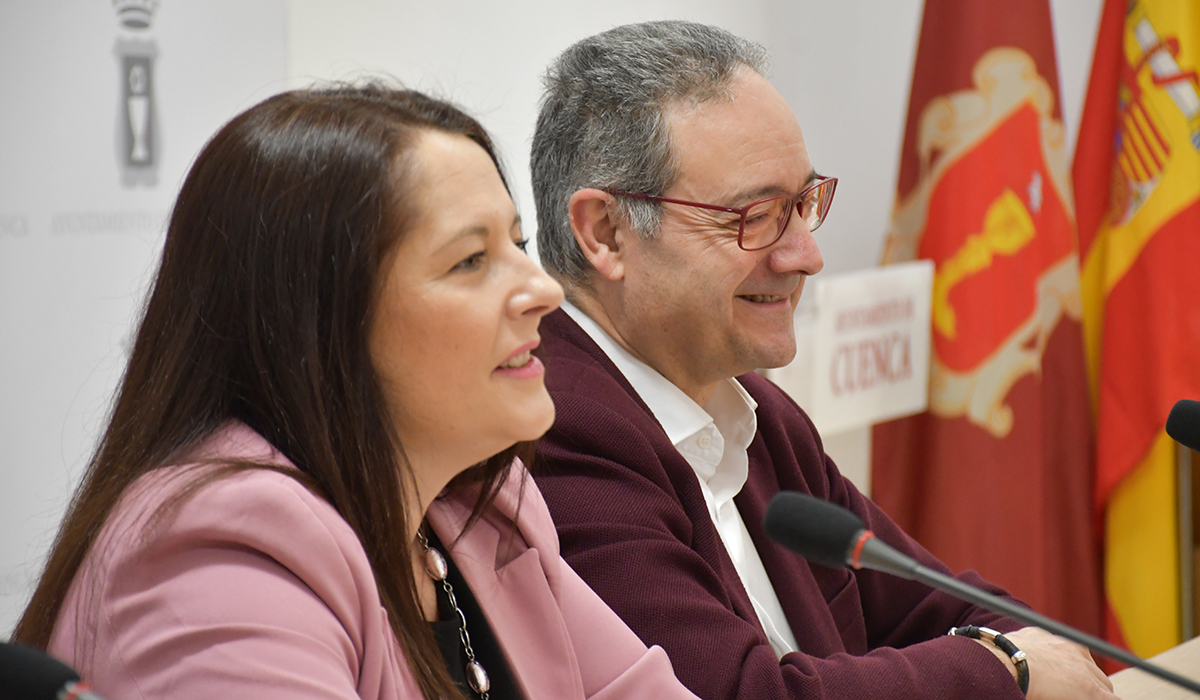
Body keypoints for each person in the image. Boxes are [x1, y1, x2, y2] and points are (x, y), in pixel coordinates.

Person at [12, 84, 701, 700]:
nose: (543, 289)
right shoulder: (223, 546)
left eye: (517, 246)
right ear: (319, 317)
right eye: (471, 260)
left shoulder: (484, 506)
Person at [529, 20, 1116, 700]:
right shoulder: (555, 431)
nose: (806, 255)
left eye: (804, 204)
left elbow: (942, 605)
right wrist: (1004, 667)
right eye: (754, 216)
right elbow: (742, 695)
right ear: (605, 233)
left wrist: (1023, 650)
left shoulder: (754, 411)